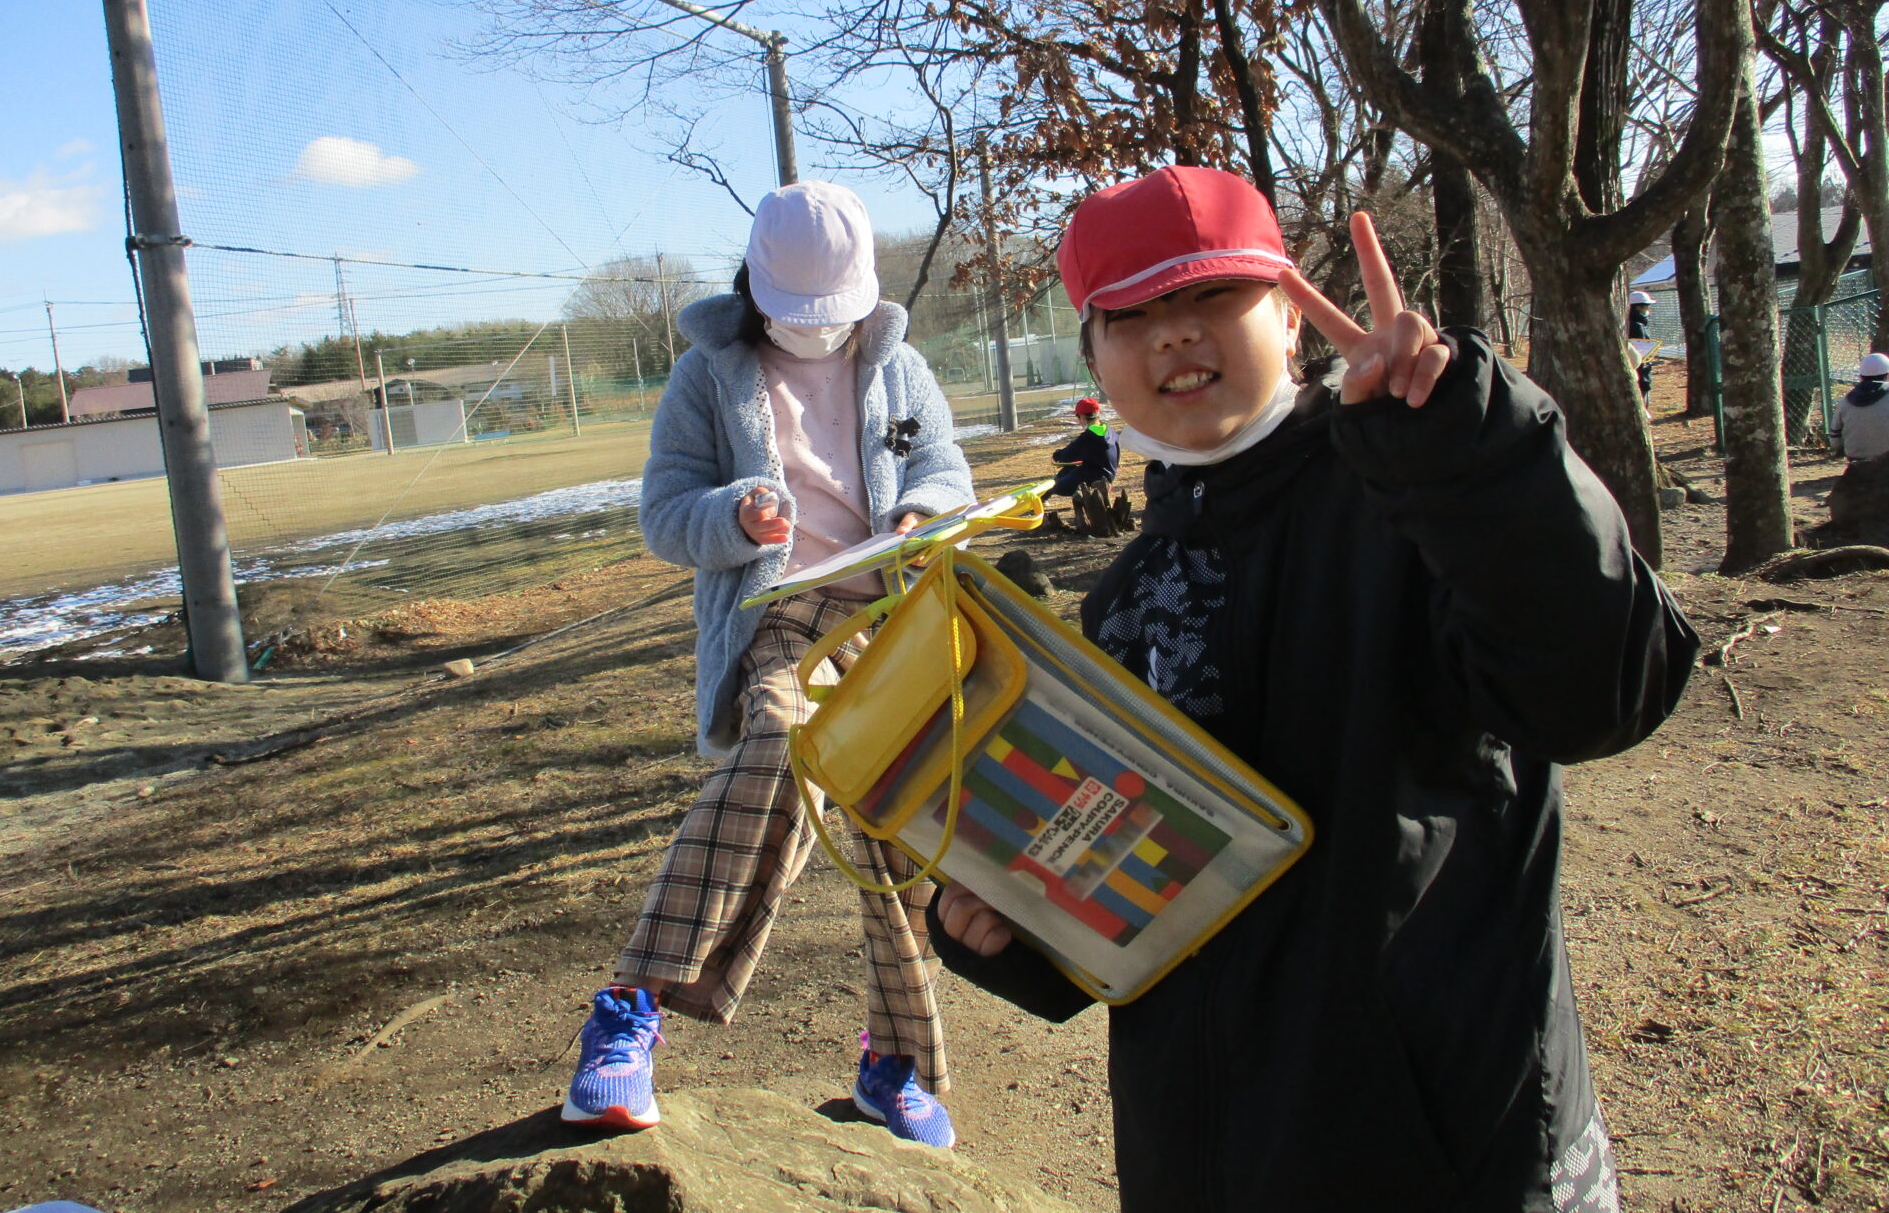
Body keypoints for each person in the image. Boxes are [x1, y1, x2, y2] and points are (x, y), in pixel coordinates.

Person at [929, 165, 1699, 1212]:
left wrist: (1468, 449)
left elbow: (1607, 691)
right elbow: (1133, 875)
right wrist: (1016, 926)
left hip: (1451, 1150)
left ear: (1291, 315)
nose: (1174, 333)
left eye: (1214, 293)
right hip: (1207, 1162)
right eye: (1131, 315)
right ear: (1096, 355)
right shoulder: (1125, 600)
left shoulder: (1422, 499)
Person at [562, 180, 976, 1146]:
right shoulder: (706, 375)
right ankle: (629, 1013)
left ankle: (896, 1065)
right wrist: (735, 519)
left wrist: (920, 512)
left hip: (892, 621)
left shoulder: (898, 364)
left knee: (904, 831)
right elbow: (665, 515)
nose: (817, 329)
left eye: (834, 311)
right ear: (753, 287)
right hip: (781, 616)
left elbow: (945, 468)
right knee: (781, 744)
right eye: (796, 311)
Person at [1048, 396, 1120, 499]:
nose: (1078, 421)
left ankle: (1044, 495)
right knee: (1068, 469)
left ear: (1082, 417)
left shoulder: (1088, 437)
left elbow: (1066, 456)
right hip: (1108, 477)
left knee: (1054, 486)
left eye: (1078, 417)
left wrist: (1056, 455)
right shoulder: (1110, 432)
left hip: (1092, 479)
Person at [1831, 351, 1889, 463]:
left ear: (1861, 377)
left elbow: (1835, 440)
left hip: (1856, 461)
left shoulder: (1846, 400)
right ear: (1887, 375)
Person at [1627, 289, 1656, 398]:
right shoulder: (1637, 326)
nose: (1648, 310)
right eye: (1646, 307)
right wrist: (1645, 380)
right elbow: (1641, 356)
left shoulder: (1627, 324)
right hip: (1640, 378)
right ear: (1638, 307)